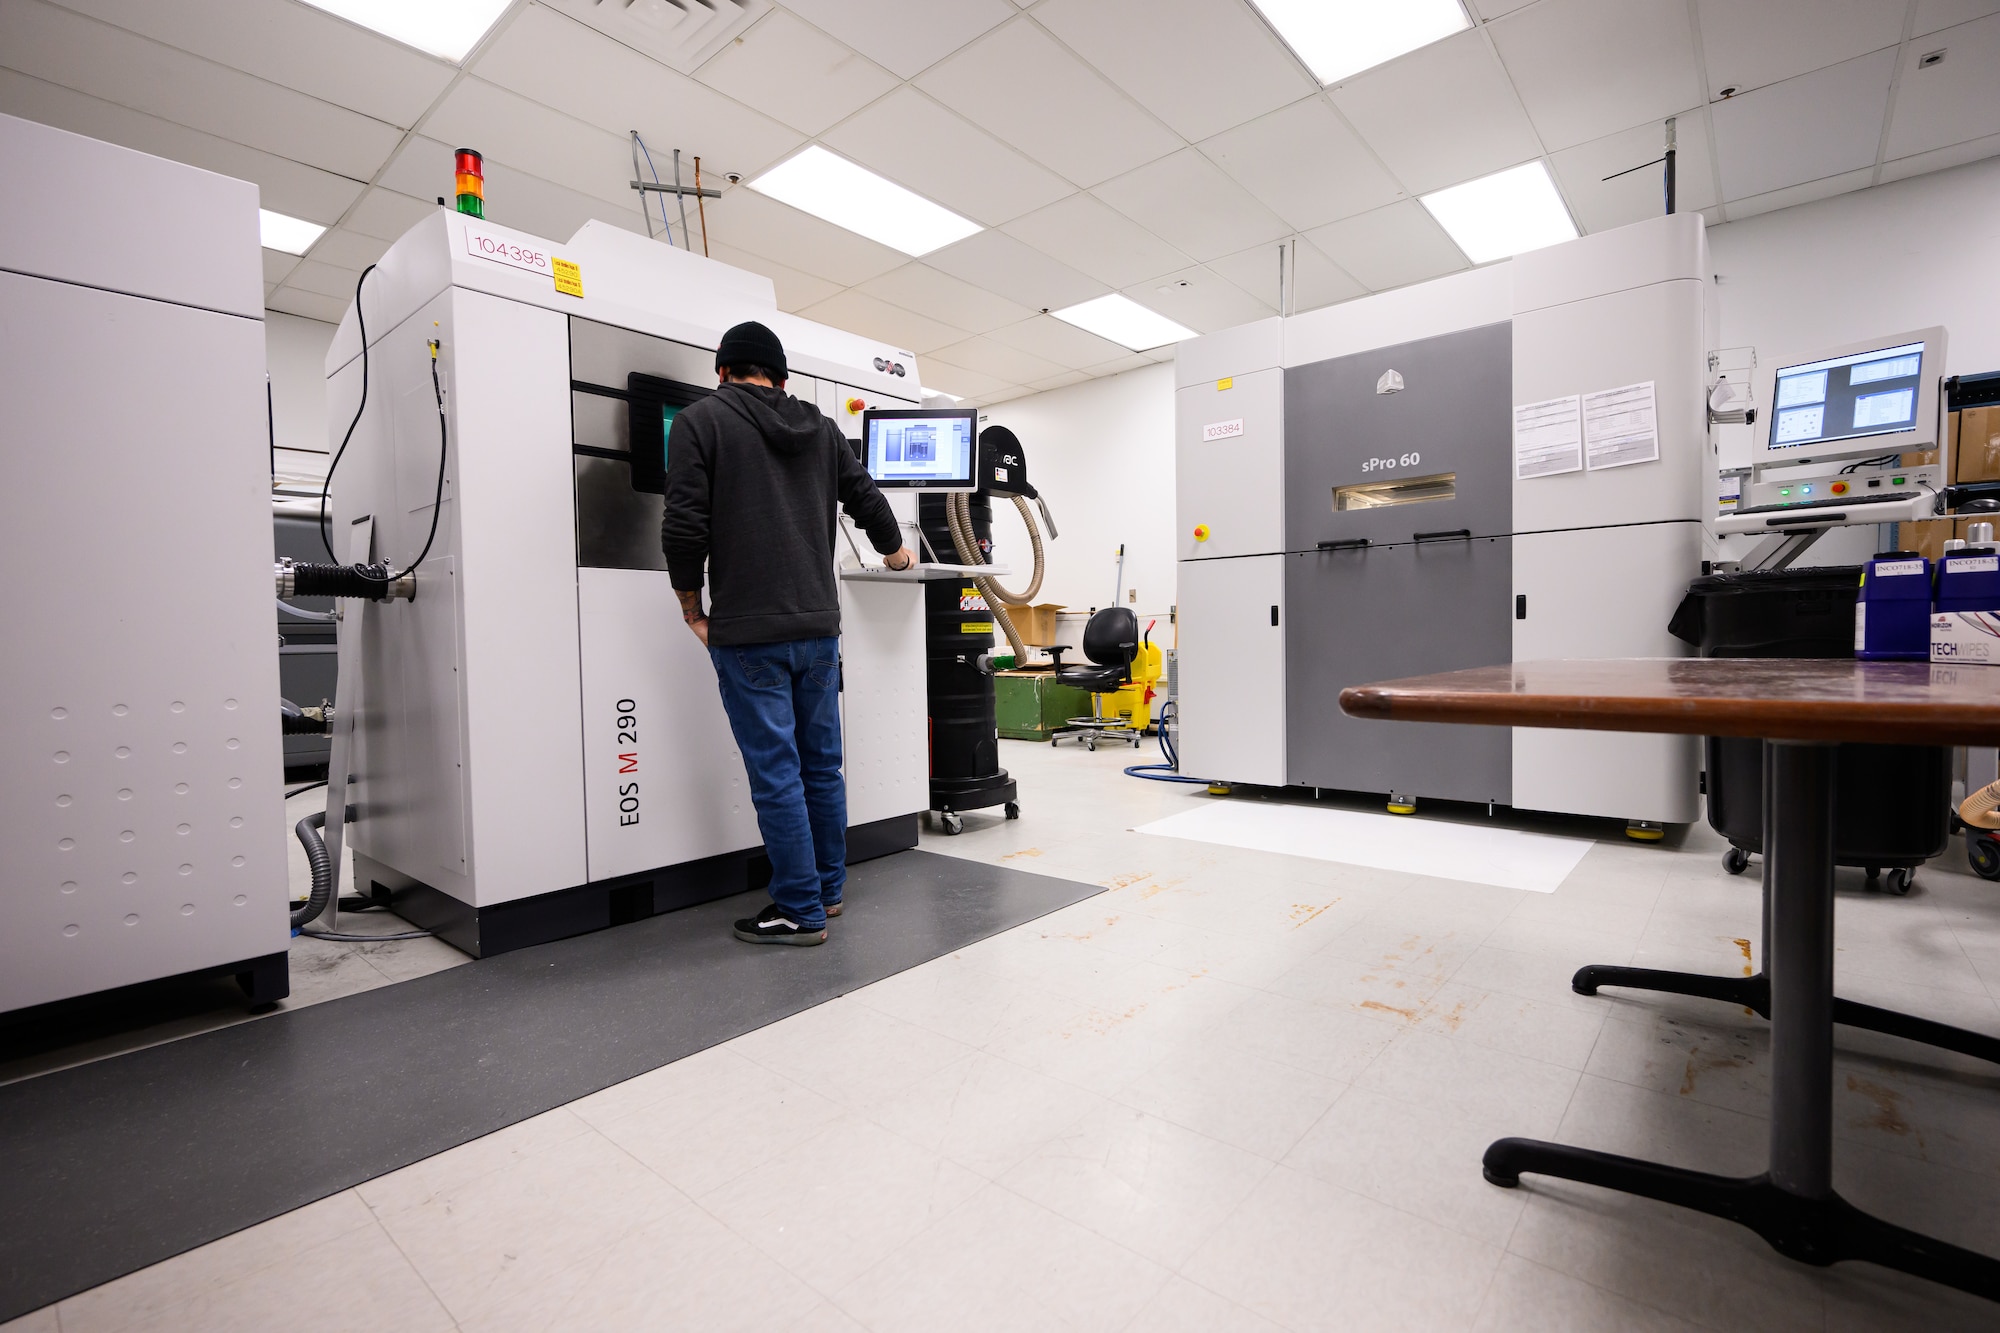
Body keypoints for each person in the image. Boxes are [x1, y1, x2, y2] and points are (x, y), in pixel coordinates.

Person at [661, 321, 916, 946]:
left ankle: (797, 909)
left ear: (723, 371)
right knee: (822, 767)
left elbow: (684, 523)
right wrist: (895, 553)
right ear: (780, 378)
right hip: (818, 630)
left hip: (749, 632)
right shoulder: (821, 428)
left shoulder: (701, 421)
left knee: (777, 773)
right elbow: (865, 496)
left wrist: (691, 606)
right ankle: (825, 892)